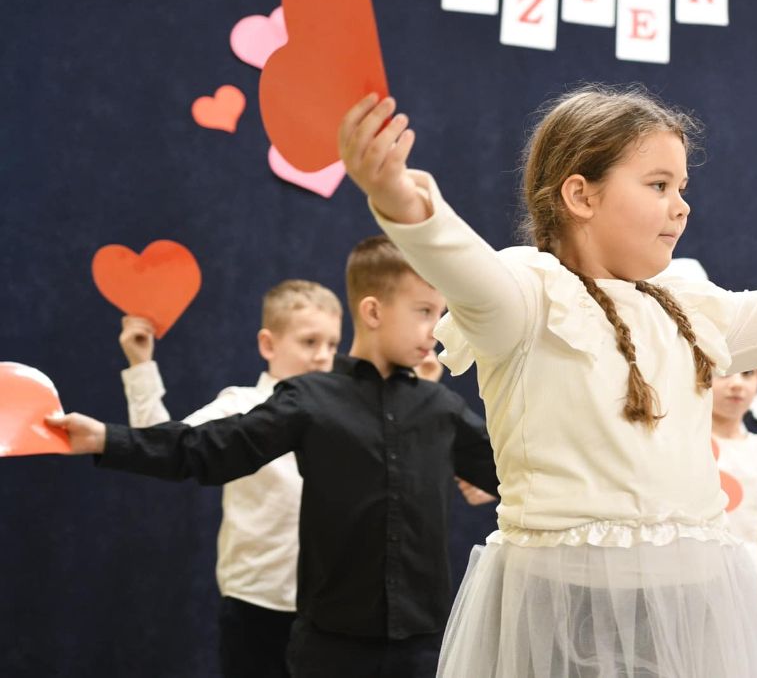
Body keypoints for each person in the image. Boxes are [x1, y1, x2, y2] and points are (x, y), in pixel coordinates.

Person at [337, 85, 757, 676]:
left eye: (682, 188)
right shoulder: (526, 294)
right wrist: (399, 195)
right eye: (659, 185)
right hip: (562, 607)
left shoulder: (691, 307)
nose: (682, 206)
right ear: (579, 193)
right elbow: (464, 264)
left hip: (687, 599)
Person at [50, 236, 498, 677]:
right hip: (323, 644)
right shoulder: (308, 399)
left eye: (441, 314)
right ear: (374, 311)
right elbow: (203, 447)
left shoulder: (440, 408)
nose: (437, 329)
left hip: (422, 646)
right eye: (424, 311)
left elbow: (515, 472)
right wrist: (106, 439)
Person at [117, 280, 342, 678]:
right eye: (309, 342)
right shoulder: (240, 407)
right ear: (268, 345)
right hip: (255, 601)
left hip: (329, 607)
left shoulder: (342, 412)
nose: (323, 357)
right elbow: (165, 446)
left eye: (331, 345)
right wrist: (141, 366)